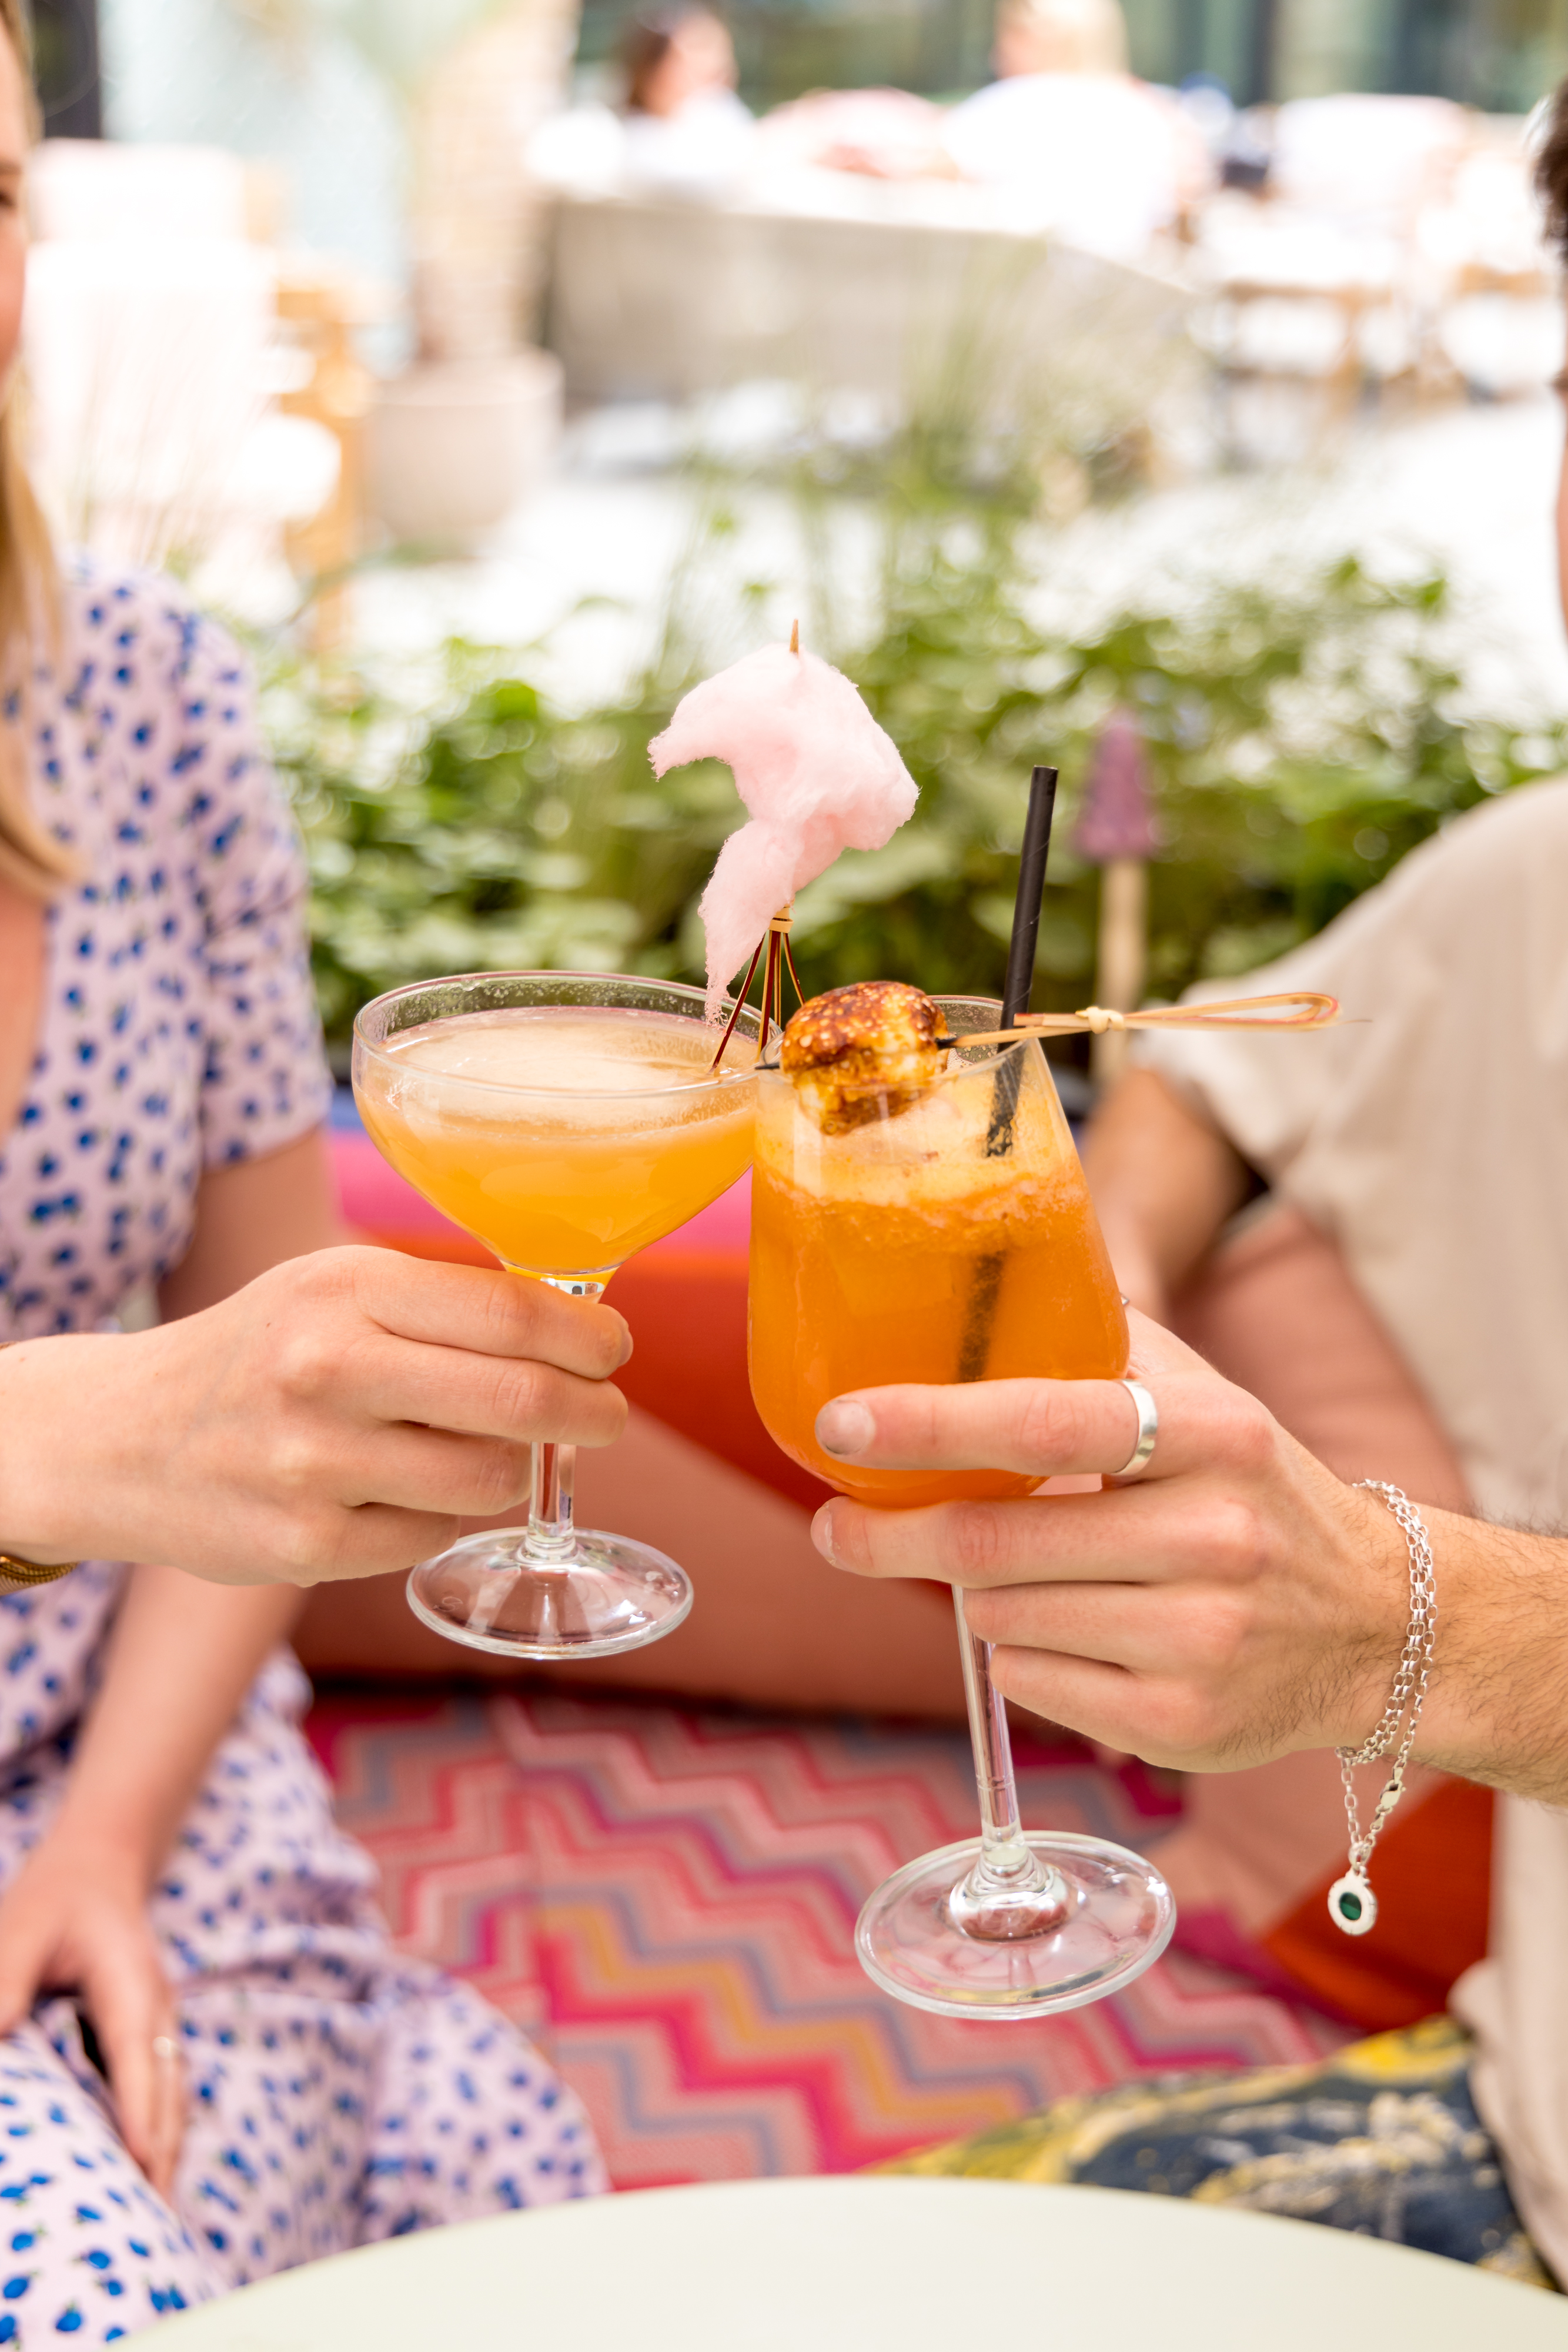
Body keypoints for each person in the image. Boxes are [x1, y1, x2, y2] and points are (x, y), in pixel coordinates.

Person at [791, 85, 1568, 2290]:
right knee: (828, 2288)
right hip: (1519, 2136)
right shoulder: (1535, 887)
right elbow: (1214, 1080)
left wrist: (1421, 1628)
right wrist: (1105, 1293)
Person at [0, 4, 612, 2332]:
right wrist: (61, 1432)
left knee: (515, 2209)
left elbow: (267, 1374)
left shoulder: (146, 693)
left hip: (139, 1754)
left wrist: (103, 1843)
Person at [938, 0, 1206, 259]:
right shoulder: (1150, 113)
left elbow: (923, 160)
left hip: (1027, 290)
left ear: (1045, 37)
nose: (996, 52)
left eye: (1013, 33)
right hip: (1118, 294)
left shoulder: (1020, 101)